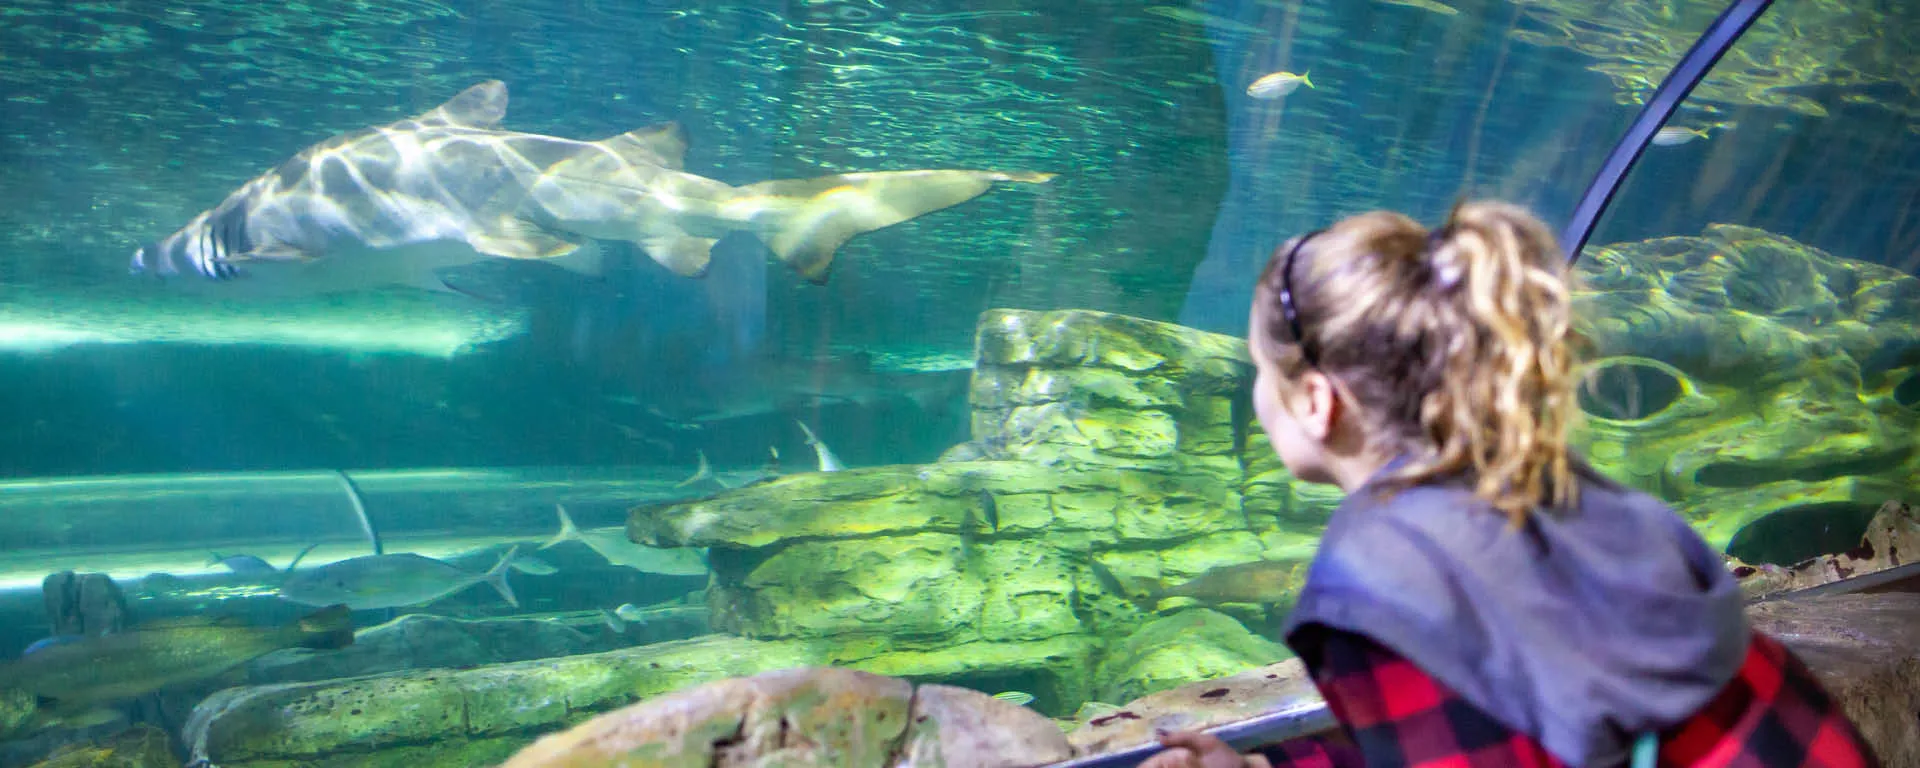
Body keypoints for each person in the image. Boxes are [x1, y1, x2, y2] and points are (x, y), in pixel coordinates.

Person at [1142, 201, 1876, 768]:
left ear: (1314, 400)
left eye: (1260, 374)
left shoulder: (1382, 573)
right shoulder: (1545, 485)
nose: (1258, 398)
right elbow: (1491, 722)